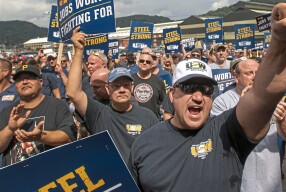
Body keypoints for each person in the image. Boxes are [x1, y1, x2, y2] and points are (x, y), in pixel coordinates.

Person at [129, 3, 286, 192]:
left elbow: (266, 95)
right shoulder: (144, 144)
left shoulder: (226, 132)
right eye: (189, 88)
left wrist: (283, 42)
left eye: (206, 89)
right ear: (172, 94)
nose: (198, 96)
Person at [211, 58, 286, 192]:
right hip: (234, 187)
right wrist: (243, 107)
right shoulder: (222, 101)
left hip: (267, 189)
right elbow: (219, 139)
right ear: (236, 77)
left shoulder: (274, 99)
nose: (255, 76)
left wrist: (282, 121)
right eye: (249, 73)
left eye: (258, 73)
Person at [66, 27, 159, 165]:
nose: (122, 90)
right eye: (116, 86)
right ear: (108, 89)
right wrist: (79, 51)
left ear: (132, 88)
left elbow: (158, 151)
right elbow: (73, 93)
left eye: (126, 85)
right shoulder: (98, 113)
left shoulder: (148, 116)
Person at [0, 65, 76, 167]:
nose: (25, 82)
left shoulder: (57, 105)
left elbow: (68, 137)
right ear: (15, 85)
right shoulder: (8, 111)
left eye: (30, 78)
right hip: (14, 177)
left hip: (49, 173)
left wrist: (40, 136)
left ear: (41, 83)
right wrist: (9, 129)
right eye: (19, 80)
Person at [132, 53, 166, 120]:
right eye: (142, 61)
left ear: (151, 65)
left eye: (148, 62)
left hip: (153, 121)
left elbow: (163, 103)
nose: (144, 63)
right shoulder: (130, 80)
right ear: (138, 63)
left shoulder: (159, 81)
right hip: (134, 120)